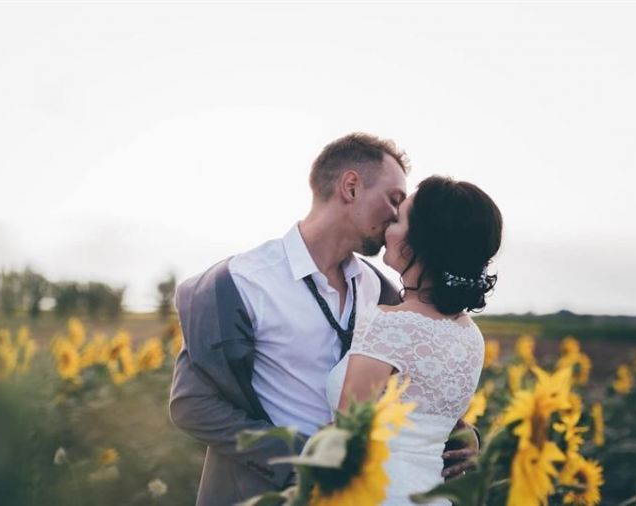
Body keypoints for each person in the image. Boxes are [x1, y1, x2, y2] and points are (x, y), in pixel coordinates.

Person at [169, 133, 478, 506]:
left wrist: (459, 435)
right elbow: (191, 404)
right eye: (393, 199)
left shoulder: (381, 291)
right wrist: (304, 464)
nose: (398, 216)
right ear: (350, 186)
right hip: (269, 494)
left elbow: (412, 385)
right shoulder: (239, 282)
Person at [328, 175, 503, 505]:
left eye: (397, 219)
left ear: (419, 242)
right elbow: (428, 419)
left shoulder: (387, 322)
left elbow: (344, 437)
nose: (387, 227)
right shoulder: (471, 336)